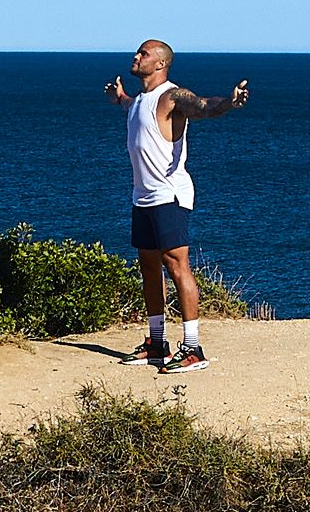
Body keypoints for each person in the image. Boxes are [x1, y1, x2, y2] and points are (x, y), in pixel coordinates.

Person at [104, 40, 249, 369]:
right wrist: (119, 97)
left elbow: (203, 105)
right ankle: (157, 343)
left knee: (176, 264)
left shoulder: (172, 96)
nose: (136, 57)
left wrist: (230, 102)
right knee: (148, 266)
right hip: (143, 196)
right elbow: (132, 106)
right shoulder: (140, 100)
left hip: (169, 194)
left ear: (160, 64)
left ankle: (193, 348)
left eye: (143, 54)